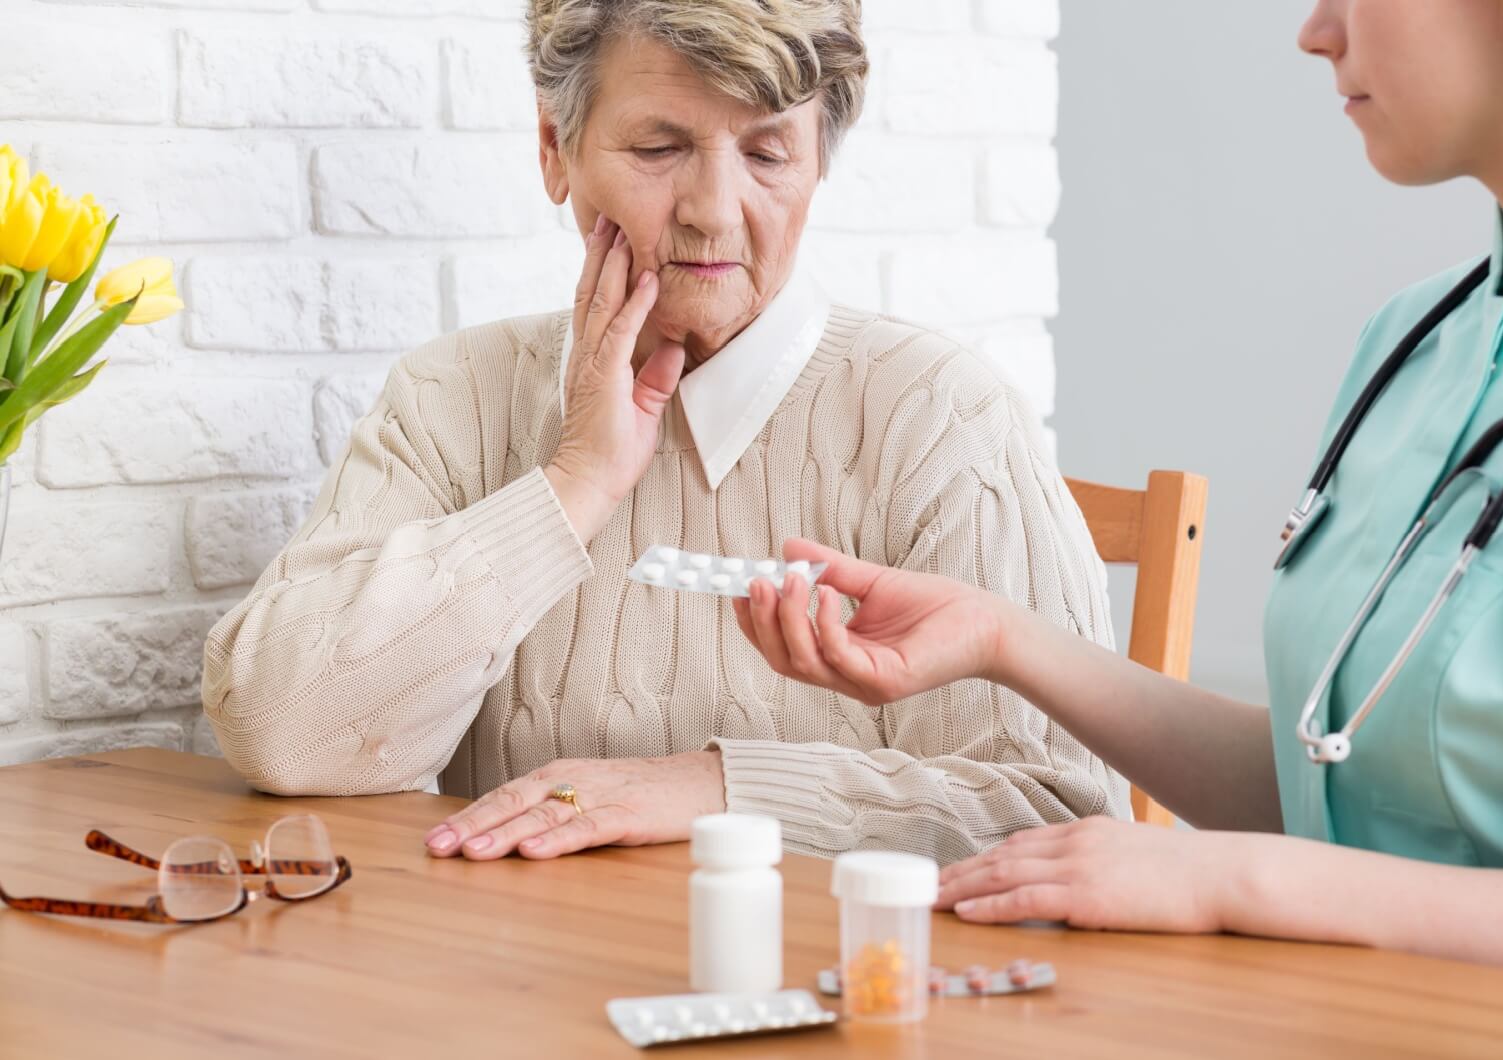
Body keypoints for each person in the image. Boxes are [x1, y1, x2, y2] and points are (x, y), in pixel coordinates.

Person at [733, 0, 1503, 980]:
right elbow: (1336, 793)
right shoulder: (1415, 342)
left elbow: (1312, 866)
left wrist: (1230, 881)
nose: (1315, 32)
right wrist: (1001, 638)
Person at [201, 0, 1123, 867]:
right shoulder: (454, 397)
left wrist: (721, 787)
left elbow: (1060, 812)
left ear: (819, 162)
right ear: (555, 149)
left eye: (767, 154)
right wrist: (575, 483)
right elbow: (279, 731)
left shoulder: (940, 417)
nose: (714, 210)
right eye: (659, 146)